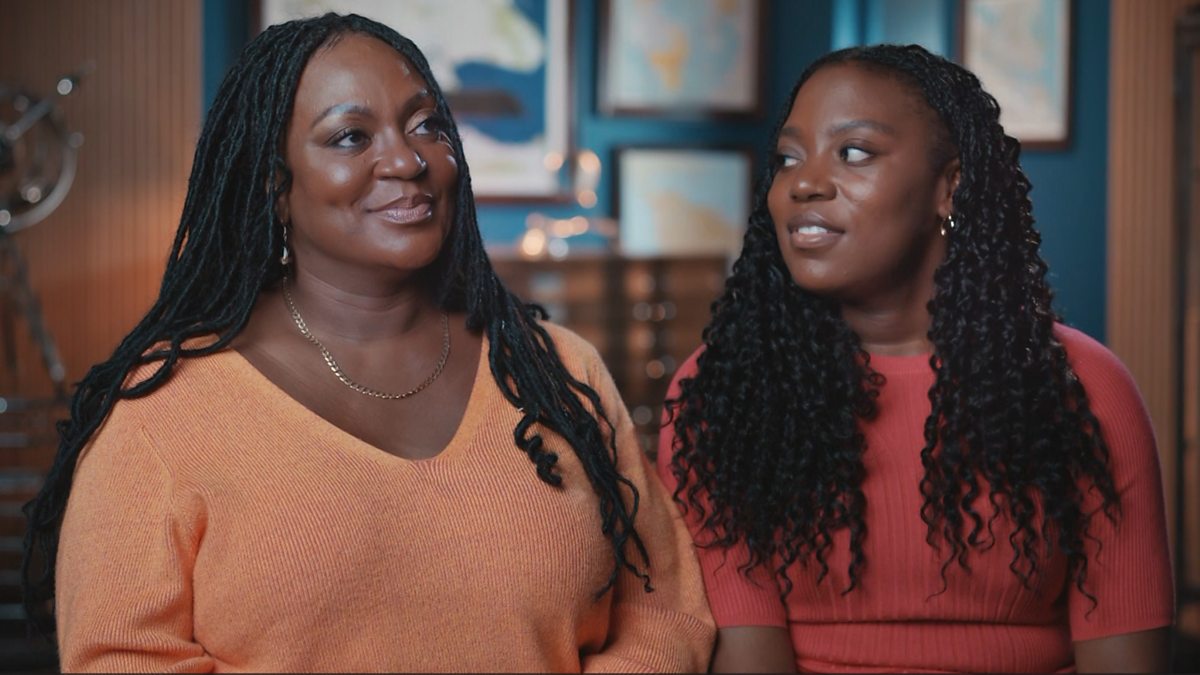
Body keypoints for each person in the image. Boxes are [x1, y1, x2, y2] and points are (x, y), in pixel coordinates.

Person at [22, 13, 714, 672]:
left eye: (426, 125)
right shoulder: (161, 413)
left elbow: (664, 607)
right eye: (351, 136)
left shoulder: (557, 368)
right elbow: (123, 656)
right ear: (274, 185)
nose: (408, 160)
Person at [657, 44, 1173, 673]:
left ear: (949, 187)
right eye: (788, 158)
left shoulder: (1084, 388)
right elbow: (750, 660)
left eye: (854, 152)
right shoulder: (722, 392)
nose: (803, 183)